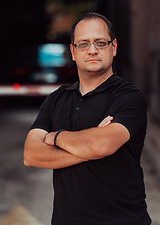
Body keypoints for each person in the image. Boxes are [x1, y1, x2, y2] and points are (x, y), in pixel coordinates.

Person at [24, 12, 151, 225]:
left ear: (114, 47)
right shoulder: (56, 99)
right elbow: (31, 155)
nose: (92, 50)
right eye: (83, 44)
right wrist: (88, 149)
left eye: (100, 42)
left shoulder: (129, 97)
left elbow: (101, 145)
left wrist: (55, 137)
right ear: (73, 52)